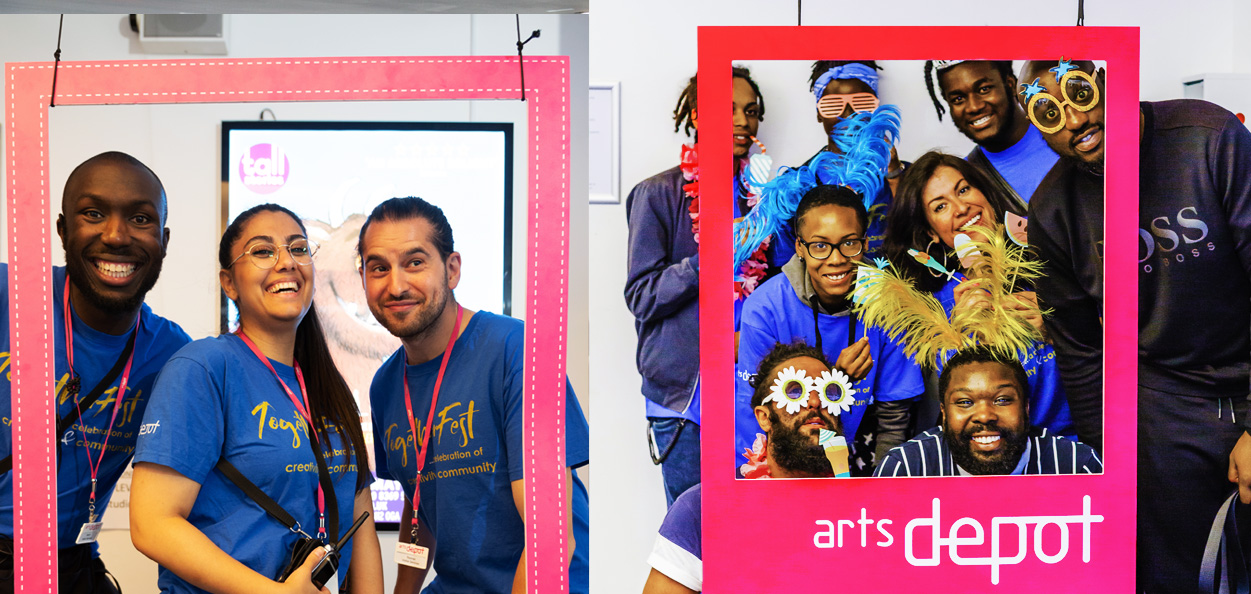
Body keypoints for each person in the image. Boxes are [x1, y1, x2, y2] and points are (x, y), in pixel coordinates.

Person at [1021, 58, 1251, 593]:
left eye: (1079, 92)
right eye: (1048, 112)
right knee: (1178, 572)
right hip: (1165, 400)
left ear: (1110, 81)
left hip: (1244, 365)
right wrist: (1112, 463)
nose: (1073, 121)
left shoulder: (1208, 138)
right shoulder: (1053, 211)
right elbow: (1078, 351)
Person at [130, 204, 383, 594]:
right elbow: (152, 524)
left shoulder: (327, 385)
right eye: (263, 251)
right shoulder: (204, 368)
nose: (286, 262)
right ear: (229, 283)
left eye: (299, 249)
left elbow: (359, 519)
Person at [359, 197, 590, 593]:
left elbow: (551, 541)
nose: (396, 285)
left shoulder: (516, 351)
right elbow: (419, 512)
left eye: (415, 262)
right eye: (379, 268)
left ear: (451, 270)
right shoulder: (384, 387)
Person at [0, 152, 191, 593]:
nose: (116, 235)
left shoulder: (172, 355)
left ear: (163, 239)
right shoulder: (8, 295)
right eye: (93, 213)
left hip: (72, 565)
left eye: (140, 219)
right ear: (64, 230)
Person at [625, 68, 769, 506]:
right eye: (727, 111)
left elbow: (778, 284)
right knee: (693, 538)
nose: (743, 121)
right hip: (685, 399)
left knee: (755, 526)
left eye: (751, 111)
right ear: (696, 114)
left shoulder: (765, 195)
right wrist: (706, 262)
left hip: (753, 388)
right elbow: (641, 296)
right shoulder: (657, 193)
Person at [736, 181, 923, 475]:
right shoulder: (764, 309)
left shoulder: (889, 303)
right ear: (799, 246)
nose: (836, 259)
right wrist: (837, 379)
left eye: (849, 243)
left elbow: (894, 415)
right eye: (820, 246)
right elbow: (753, 412)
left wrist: (886, 484)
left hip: (861, 452)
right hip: (786, 462)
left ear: (865, 241)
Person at [882, 150, 1072, 437]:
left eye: (963, 189)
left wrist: (1055, 328)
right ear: (931, 232)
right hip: (994, 453)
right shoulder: (938, 308)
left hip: (1074, 444)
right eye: (940, 206)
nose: (961, 208)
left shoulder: (1050, 259)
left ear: (985, 192)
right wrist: (960, 339)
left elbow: (1117, 342)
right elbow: (953, 407)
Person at [644, 342, 848, 594]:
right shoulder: (704, 507)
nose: (815, 402)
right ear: (764, 417)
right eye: (796, 391)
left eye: (830, 392)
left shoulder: (866, 511)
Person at [875, 347, 1101, 477]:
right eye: (964, 402)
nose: (984, 415)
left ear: (1026, 407)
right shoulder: (906, 469)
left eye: (1002, 400)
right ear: (943, 413)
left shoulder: (1075, 466)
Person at [789, 60, 904, 261]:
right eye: (833, 105)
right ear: (818, 113)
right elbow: (784, 261)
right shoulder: (795, 184)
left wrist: (895, 175)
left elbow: (920, 238)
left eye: (862, 103)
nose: (849, 116)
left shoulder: (904, 174)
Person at [924, 60, 1059, 206]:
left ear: (1011, 84)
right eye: (958, 99)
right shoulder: (963, 181)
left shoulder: (1067, 132)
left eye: (984, 89)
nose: (974, 107)